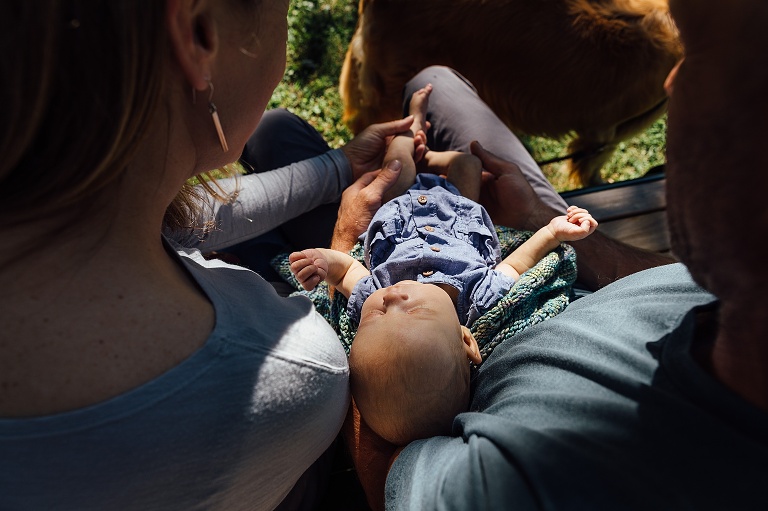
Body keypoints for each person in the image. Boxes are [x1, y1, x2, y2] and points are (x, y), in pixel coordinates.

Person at [336, 0, 768, 508]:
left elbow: (386, 471)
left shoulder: (512, 486)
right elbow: (669, 279)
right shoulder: (731, 287)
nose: (671, 86)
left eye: (697, 60)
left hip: (392, 275)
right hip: (517, 230)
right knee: (437, 81)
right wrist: (538, 221)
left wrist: (344, 252)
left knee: (283, 135)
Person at [0, 2, 428, 510]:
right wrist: (343, 245)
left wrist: (339, 168)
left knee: (275, 128)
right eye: (282, 12)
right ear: (200, 35)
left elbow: (173, 217)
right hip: (288, 466)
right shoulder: (298, 368)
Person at [289, 198, 595, 446]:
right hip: (459, 213)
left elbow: (344, 273)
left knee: (401, 158)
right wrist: (553, 233)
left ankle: (411, 140)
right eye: (413, 312)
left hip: (392, 216)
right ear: (465, 339)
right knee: (463, 166)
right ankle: (438, 155)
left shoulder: (372, 291)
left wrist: (323, 262)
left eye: (373, 317)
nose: (391, 300)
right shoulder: (481, 298)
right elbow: (517, 263)